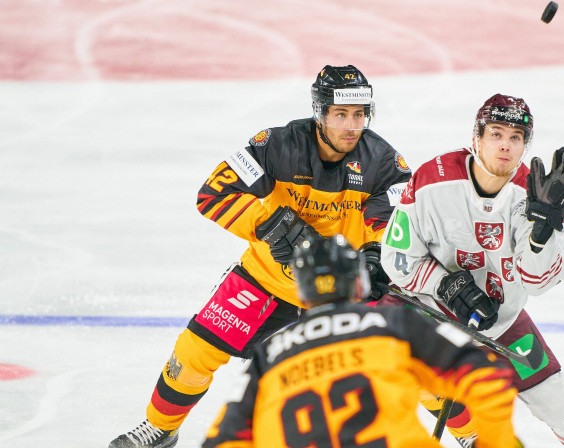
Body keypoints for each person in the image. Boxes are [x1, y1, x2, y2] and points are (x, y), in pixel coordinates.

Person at [108, 65, 412, 448]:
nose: (352, 126)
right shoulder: (276, 144)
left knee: (409, 359)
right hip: (270, 278)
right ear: (320, 112)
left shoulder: (384, 161)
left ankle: (470, 437)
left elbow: (394, 226)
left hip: (343, 287)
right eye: (341, 114)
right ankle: (160, 427)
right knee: (195, 349)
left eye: (360, 114)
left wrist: (374, 260)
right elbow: (212, 194)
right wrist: (272, 224)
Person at [379, 93, 564, 448]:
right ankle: (472, 434)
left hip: (499, 321)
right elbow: (397, 258)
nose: (505, 145)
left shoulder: (540, 197)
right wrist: (448, 288)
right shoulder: (432, 179)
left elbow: (538, 281)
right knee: (388, 359)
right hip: (427, 312)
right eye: (496, 134)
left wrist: (542, 231)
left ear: (525, 145)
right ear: (476, 139)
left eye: (515, 137)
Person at [202, 235, 523, 448]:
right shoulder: (394, 323)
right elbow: (489, 378)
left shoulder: (269, 353)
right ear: (359, 282)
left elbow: (222, 439)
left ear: (300, 293)